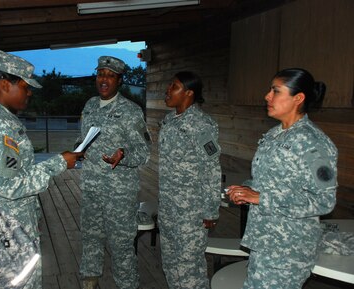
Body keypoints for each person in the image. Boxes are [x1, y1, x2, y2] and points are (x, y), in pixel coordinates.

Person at [0, 49, 83, 288]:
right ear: (4, 84)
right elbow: (6, 186)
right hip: (5, 237)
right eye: (25, 85)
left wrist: (33, 216)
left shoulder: (0, 119)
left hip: (13, 230)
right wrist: (60, 162)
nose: (29, 92)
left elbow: (12, 173)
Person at [227, 68, 338, 289]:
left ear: (298, 98)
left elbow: (324, 201)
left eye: (276, 91)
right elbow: (266, 183)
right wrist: (246, 191)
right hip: (264, 242)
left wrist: (261, 198)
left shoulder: (313, 143)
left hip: (288, 252)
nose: (267, 96)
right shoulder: (274, 135)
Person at [77, 56, 151, 289]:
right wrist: (78, 148)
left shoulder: (131, 111)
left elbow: (144, 150)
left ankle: (127, 285)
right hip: (90, 187)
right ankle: (90, 280)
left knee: (121, 244)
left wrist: (123, 154)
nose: (104, 79)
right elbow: (82, 137)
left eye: (110, 75)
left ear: (119, 80)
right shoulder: (89, 105)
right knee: (90, 237)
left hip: (119, 193)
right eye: (100, 74)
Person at [158, 71, 221, 289]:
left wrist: (211, 210)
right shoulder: (169, 121)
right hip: (168, 208)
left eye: (174, 86)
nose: (167, 90)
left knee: (189, 268)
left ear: (189, 93)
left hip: (190, 212)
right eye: (169, 85)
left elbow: (211, 169)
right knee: (170, 264)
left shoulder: (202, 125)